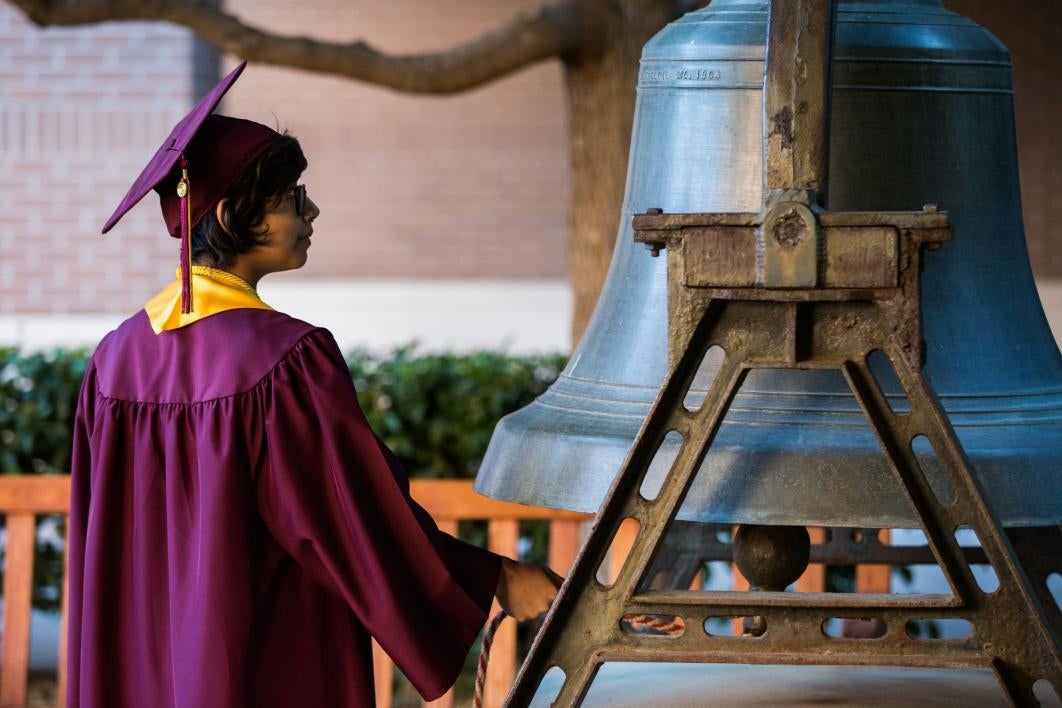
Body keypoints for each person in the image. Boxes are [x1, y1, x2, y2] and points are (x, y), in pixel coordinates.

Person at [68, 62, 562, 708]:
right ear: (233, 212)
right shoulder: (286, 361)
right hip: (261, 664)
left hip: (139, 675)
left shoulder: (113, 365)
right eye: (292, 196)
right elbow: (352, 517)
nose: (312, 209)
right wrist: (492, 575)